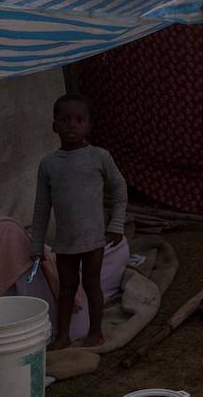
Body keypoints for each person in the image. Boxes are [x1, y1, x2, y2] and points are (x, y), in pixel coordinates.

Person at [29, 93, 127, 349]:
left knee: (92, 284)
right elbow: (41, 208)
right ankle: (63, 336)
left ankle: (96, 332)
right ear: (54, 126)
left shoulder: (99, 157)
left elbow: (119, 188)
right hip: (64, 243)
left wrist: (116, 223)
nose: (72, 125)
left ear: (89, 126)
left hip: (93, 238)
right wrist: (36, 246)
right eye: (65, 120)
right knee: (66, 289)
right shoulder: (48, 164)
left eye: (79, 120)